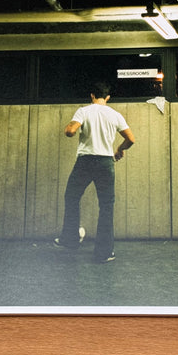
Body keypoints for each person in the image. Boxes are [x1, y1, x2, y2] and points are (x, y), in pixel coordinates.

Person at [53, 82, 135, 263]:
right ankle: (104, 252)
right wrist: (120, 149)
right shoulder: (115, 115)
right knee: (106, 206)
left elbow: (70, 131)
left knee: (72, 197)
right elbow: (130, 139)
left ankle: (71, 239)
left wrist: (70, 129)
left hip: (85, 161)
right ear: (107, 97)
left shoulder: (84, 111)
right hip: (105, 163)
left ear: (91, 95)